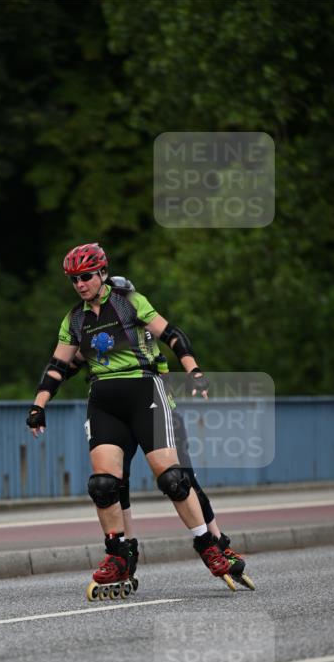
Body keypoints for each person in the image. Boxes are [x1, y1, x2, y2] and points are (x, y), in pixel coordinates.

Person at [26, 242, 237, 588]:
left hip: (145, 392)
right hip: (104, 400)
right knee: (104, 484)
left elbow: (172, 335)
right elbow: (57, 366)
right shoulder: (74, 319)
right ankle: (118, 554)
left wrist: (195, 371)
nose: (80, 284)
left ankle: (208, 544)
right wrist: (38, 405)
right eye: (74, 279)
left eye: (86, 277)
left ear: (102, 273)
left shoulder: (129, 302)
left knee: (172, 478)